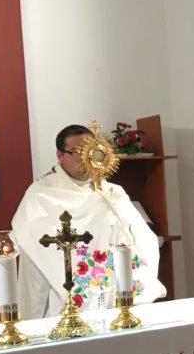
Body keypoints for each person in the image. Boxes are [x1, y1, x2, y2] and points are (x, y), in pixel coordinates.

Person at [11, 124, 165, 318]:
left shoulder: (112, 193)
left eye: (90, 150)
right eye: (77, 152)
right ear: (60, 155)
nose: (85, 158)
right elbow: (33, 255)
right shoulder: (40, 195)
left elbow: (145, 239)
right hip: (66, 304)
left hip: (117, 300)